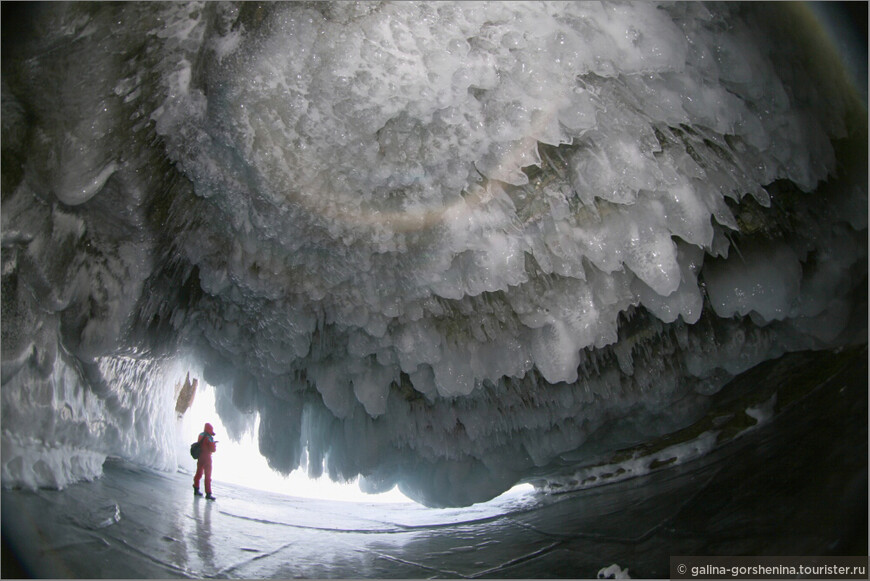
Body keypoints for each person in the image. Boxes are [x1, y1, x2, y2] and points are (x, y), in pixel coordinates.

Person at [193, 422, 217, 500]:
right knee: (208, 476)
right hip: (207, 458)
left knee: (198, 473)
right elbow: (213, 449)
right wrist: (214, 444)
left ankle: (196, 489)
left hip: (200, 457)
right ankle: (208, 494)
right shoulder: (209, 438)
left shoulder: (201, 435)